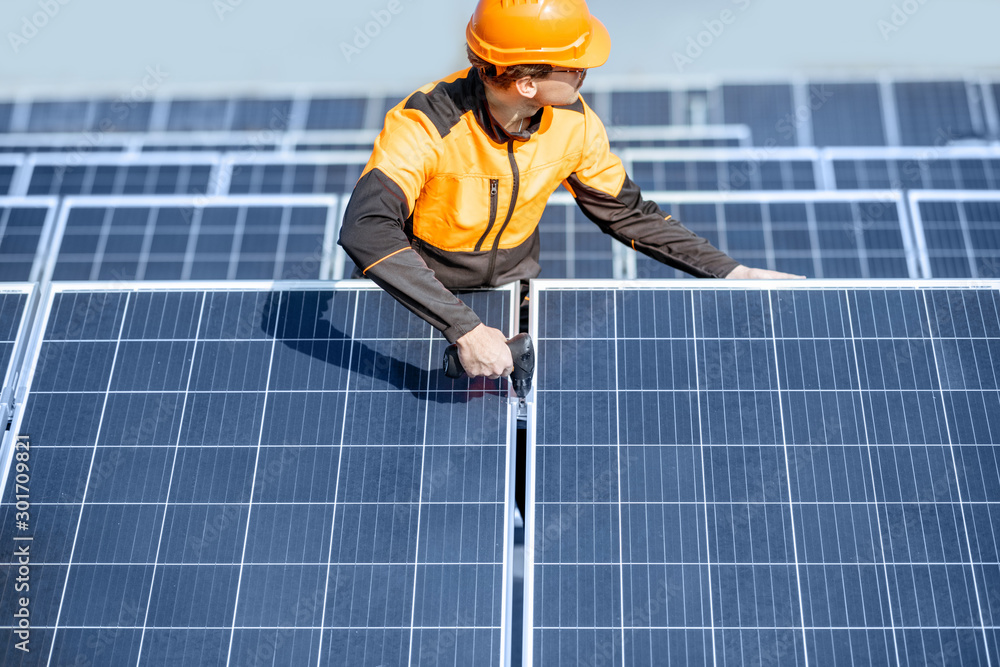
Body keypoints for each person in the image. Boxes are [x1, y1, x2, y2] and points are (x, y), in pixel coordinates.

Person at [339, 0, 802, 381]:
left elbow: (626, 212)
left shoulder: (574, 123)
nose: (584, 73)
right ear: (526, 83)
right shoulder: (424, 125)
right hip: (418, 303)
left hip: (512, 295)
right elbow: (367, 230)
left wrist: (730, 272)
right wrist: (464, 329)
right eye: (575, 67)